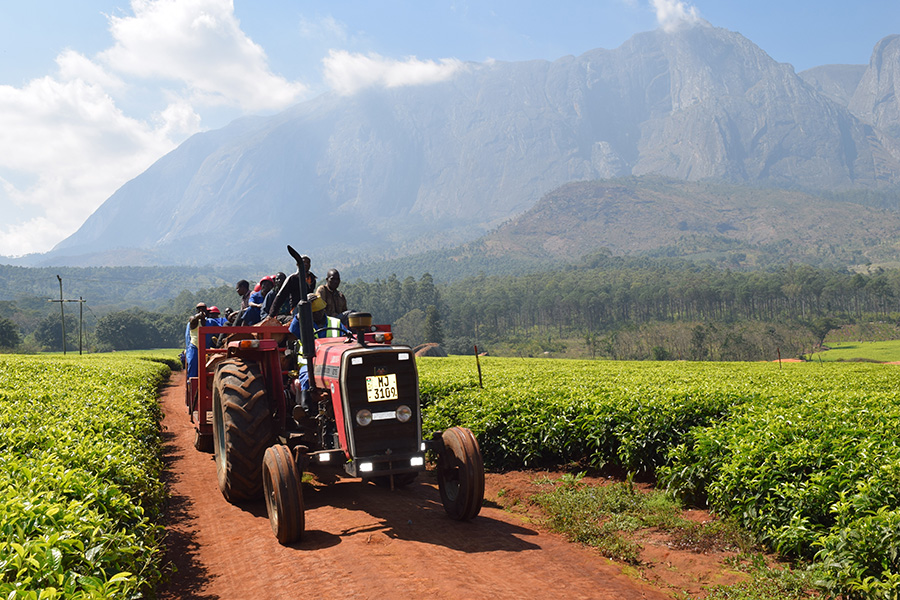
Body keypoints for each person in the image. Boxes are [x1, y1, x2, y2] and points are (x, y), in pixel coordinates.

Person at [185, 303, 209, 378]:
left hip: (207, 349)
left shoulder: (209, 321)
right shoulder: (193, 322)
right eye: (199, 309)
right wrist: (199, 315)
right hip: (194, 347)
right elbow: (192, 319)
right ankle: (192, 385)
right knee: (193, 367)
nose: (201, 310)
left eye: (203, 308)